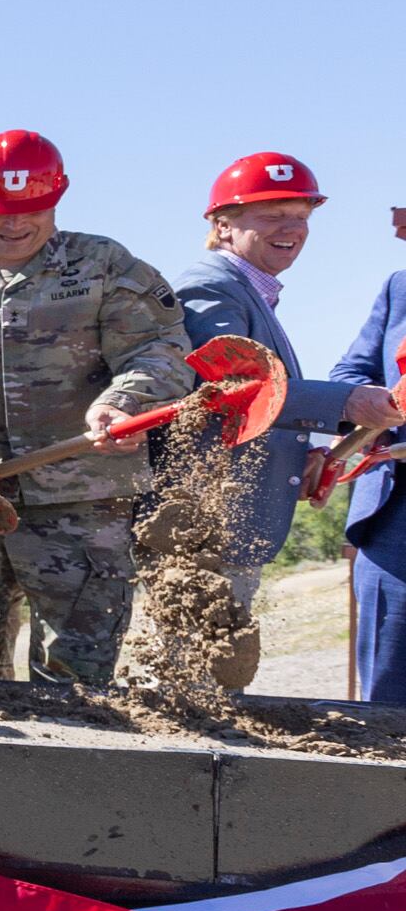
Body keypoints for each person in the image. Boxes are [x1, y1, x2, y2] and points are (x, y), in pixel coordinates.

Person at [0, 129, 193, 684]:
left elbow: (163, 351)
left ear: (59, 196)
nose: (14, 225)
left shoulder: (106, 267)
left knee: (75, 678)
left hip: (82, 505)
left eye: (32, 209)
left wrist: (123, 402)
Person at [170, 153, 397, 619]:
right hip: (208, 519)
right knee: (193, 676)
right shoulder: (210, 288)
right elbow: (233, 388)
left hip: (229, 518)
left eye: (301, 216)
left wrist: (302, 453)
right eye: (272, 215)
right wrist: (349, 401)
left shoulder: (251, 290)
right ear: (223, 224)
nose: (291, 228)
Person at [331, 203, 406, 704]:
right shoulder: (400, 287)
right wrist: (373, 402)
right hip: (392, 524)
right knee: (386, 706)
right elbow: (348, 376)